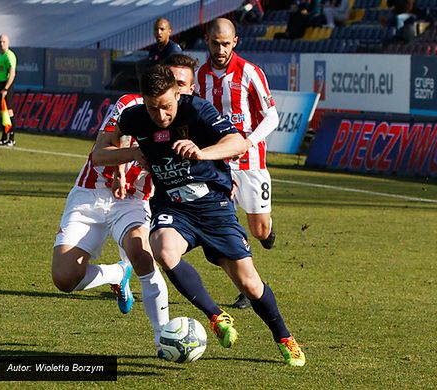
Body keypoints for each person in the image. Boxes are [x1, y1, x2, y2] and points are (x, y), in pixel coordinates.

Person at [98, 64, 306, 367]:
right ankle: (216, 316)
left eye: (167, 106)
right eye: (153, 108)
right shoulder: (134, 118)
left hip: (214, 207)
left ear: (177, 94)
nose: (161, 116)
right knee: (163, 249)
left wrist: (201, 152)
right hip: (173, 207)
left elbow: (237, 142)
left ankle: (285, 337)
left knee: (249, 284)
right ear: (144, 101)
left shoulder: (195, 110)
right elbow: (100, 153)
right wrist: (130, 154)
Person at [52, 92, 171, 357]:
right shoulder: (130, 103)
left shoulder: (187, 119)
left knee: (141, 254)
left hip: (134, 200)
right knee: (64, 278)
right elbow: (100, 153)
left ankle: (163, 340)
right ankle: (117, 274)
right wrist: (128, 162)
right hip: (90, 193)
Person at [196, 18, 279, 309]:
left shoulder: (250, 72)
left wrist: (248, 141)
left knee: (259, 230)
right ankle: (247, 284)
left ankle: (267, 234)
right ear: (207, 40)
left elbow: (272, 117)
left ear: (235, 42)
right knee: (227, 225)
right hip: (218, 165)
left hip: (251, 163)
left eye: (226, 44)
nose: (220, 49)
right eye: (215, 43)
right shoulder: (199, 76)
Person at [0, 34, 17, 147]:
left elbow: (12, 73)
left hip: (6, 85)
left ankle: (11, 138)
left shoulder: (9, 55)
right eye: (0, 42)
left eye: (4, 42)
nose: (1, 44)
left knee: (8, 111)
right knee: (1, 112)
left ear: (8, 43)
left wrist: (6, 88)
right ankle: (3, 137)